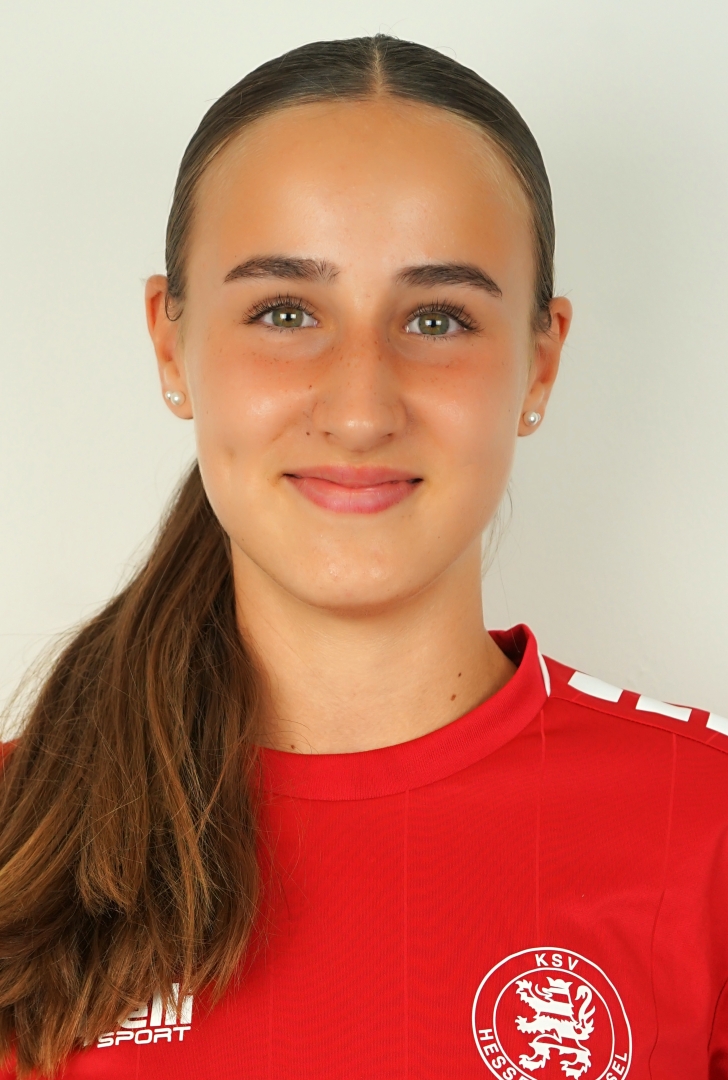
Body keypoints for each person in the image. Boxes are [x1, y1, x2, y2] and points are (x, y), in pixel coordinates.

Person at [0, 32, 726, 1080]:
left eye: (436, 318)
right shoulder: (17, 840)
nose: (358, 409)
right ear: (171, 344)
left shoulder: (703, 828)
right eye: (284, 312)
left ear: (539, 362)